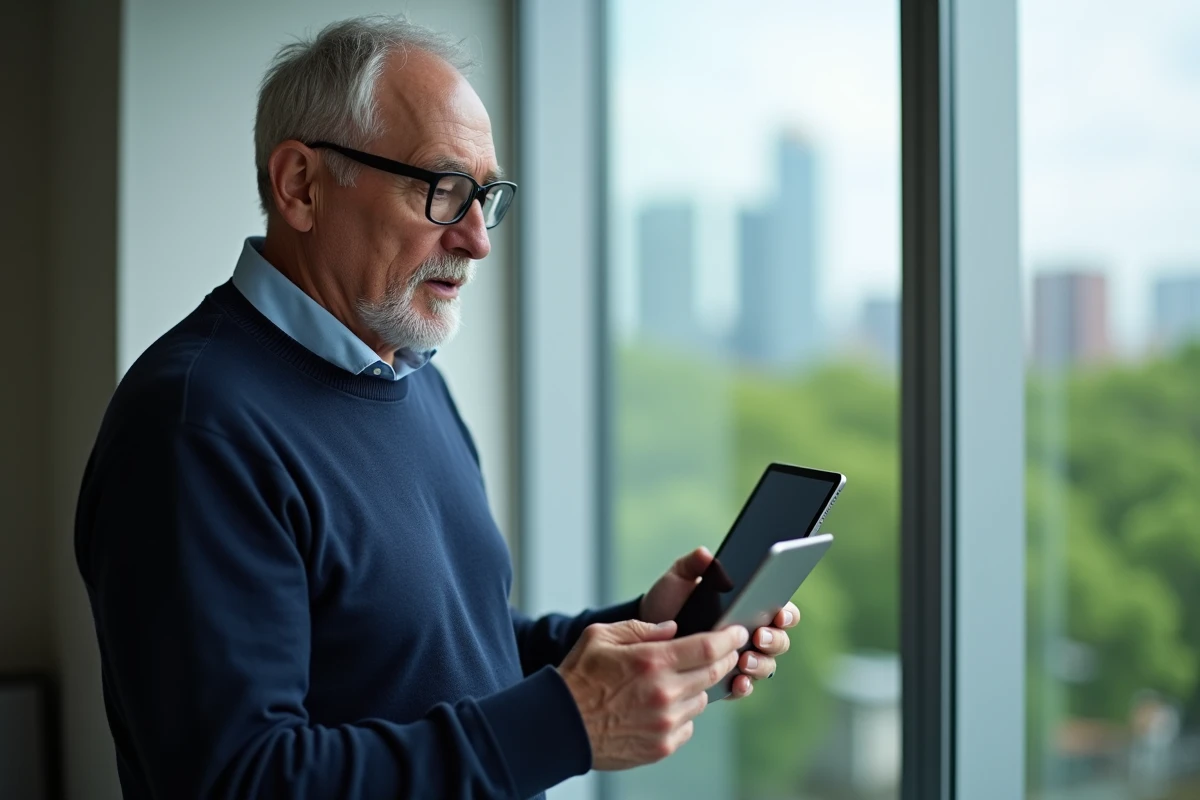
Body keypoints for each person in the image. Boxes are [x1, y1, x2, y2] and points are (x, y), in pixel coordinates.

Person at [75, 16, 801, 800]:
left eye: (485, 196)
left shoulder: (409, 374)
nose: (478, 238)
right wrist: (566, 722)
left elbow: (447, 652)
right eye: (442, 189)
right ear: (301, 186)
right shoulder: (194, 427)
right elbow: (240, 779)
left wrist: (646, 633)